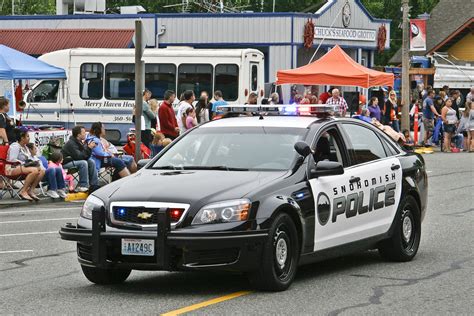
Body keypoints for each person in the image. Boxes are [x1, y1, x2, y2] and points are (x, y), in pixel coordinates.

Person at [6, 129, 44, 201]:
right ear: (22, 138)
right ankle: (23, 191)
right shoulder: (15, 146)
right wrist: (25, 163)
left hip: (23, 167)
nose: (29, 138)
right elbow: (11, 160)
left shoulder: (26, 147)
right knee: (34, 171)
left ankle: (31, 190)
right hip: (11, 168)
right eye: (27, 136)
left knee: (42, 171)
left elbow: (29, 158)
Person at [61, 125, 98, 192]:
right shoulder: (71, 143)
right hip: (65, 163)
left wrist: (89, 148)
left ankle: (94, 185)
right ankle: (82, 186)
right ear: (78, 135)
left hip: (73, 160)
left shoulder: (79, 142)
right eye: (83, 133)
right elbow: (79, 157)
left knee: (91, 161)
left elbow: (85, 156)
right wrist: (89, 148)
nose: (85, 134)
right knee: (83, 163)